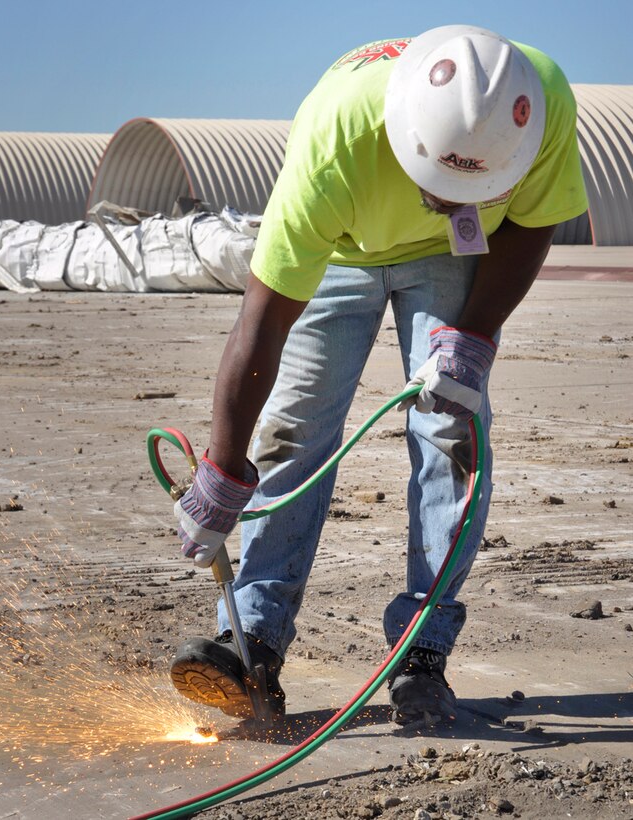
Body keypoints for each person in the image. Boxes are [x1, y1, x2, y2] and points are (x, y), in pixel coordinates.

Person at [168, 24, 588, 726]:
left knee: (453, 431)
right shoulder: (332, 142)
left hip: (448, 258)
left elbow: (531, 223)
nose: (459, 200)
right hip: (342, 253)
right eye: (445, 185)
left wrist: (471, 341)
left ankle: (421, 652)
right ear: (405, 142)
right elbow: (262, 322)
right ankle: (252, 640)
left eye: (475, 186)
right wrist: (221, 468)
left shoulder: (536, 100)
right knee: (294, 432)